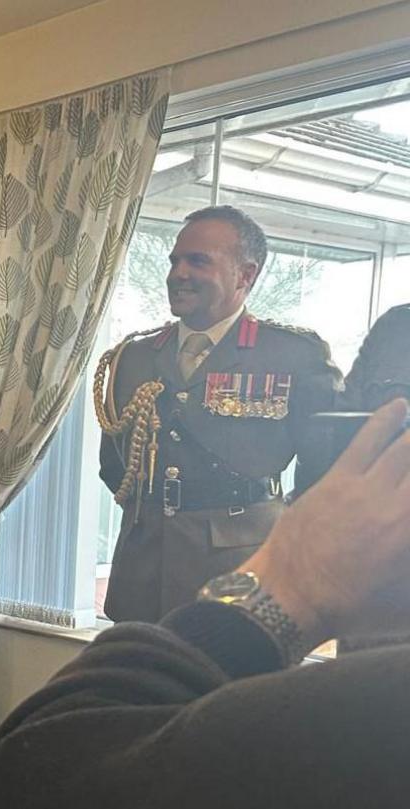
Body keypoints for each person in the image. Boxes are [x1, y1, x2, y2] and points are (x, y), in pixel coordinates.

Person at [0, 398, 410, 809]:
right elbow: (116, 467)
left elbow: (39, 776)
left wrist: (291, 585)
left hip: (228, 558)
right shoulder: (139, 355)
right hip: (154, 564)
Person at [96, 205, 341, 623]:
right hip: (144, 569)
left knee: (230, 687)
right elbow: (114, 467)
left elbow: (326, 468)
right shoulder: (133, 357)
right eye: (175, 261)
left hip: (240, 570)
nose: (179, 273)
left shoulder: (291, 356)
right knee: (141, 683)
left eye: (198, 261)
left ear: (245, 275)